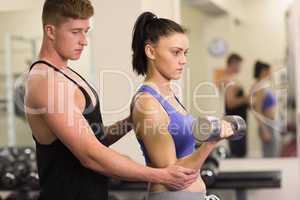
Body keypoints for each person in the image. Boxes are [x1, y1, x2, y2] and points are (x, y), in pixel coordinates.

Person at [24, 1, 199, 200]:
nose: (84, 41)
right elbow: (90, 155)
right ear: (50, 31)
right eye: (75, 32)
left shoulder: (66, 75)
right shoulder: (48, 82)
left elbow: (96, 138)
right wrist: (160, 175)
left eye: (86, 31)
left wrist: (131, 121)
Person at [130, 12, 234, 200]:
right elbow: (173, 176)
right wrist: (211, 141)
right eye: (176, 52)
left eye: (185, 53)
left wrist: (208, 132)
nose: (183, 60)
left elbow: (184, 150)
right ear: (151, 52)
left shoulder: (170, 96)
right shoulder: (148, 103)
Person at [251, 61, 281, 157]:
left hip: (272, 124)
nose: (271, 73)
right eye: (269, 71)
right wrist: (264, 130)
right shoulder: (259, 87)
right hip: (267, 126)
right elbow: (257, 110)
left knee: (274, 154)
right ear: (263, 71)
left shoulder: (263, 85)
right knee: (271, 156)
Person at [222, 53, 249, 158]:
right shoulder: (230, 81)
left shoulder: (230, 79)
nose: (240, 67)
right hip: (235, 124)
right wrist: (246, 99)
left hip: (237, 123)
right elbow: (230, 103)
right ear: (233, 64)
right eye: (239, 65)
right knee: (237, 154)